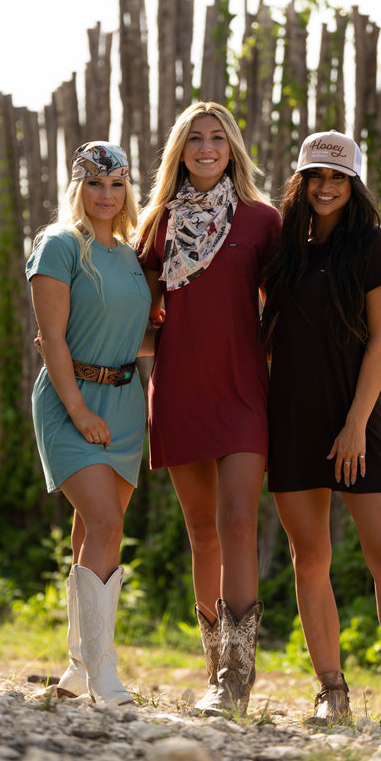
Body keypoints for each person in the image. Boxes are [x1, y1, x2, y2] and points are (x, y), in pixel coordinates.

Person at [262, 130, 381, 737]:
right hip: (290, 418)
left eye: (337, 177)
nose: (325, 187)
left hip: (356, 419)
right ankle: (330, 693)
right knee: (309, 558)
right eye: (315, 176)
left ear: (355, 184)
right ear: (301, 182)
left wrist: (357, 424)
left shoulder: (374, 247)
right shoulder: (284, 250)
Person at [138, 101, 281, 716]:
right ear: (179, 150)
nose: (205, 147)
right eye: (194, 138)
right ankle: (212, 671)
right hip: (180, 390)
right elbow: (139, 317)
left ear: (232, 148)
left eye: (216, 138)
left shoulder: (261, 220)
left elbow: (285, 309)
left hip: (246, 391)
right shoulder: (156, 227)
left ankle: (235, 680)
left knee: (239, 522)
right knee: (202, 535)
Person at [26, 141, 153, 706]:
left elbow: (135, 336)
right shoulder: (59, 246)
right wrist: (77, 410)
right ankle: (104, 672)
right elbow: (52, 338)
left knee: (92, 530)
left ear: (128, 189)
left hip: (125, 405)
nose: (107, 195)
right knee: (104, 524)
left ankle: (78, 670)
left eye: (117, 184)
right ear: (78, 187)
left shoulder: (128, 254)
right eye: (95, 184)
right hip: (70, 399)